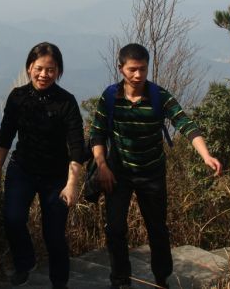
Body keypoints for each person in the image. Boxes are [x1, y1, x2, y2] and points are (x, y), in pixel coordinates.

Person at [90, 43, 222, 289]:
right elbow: (97, 134)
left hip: (152, 172)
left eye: (142, 69)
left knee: (157, 229)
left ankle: (162, 278)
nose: (138, 75)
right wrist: (102, 165)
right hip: (118, 172)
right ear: (121, 69)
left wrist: (206, 155)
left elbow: (185, 123)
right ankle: (120, 280)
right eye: (132, 69)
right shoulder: (110, 97)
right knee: (115, 229)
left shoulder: (159, 96)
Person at [0, 42, 84, 289]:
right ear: (29, 67)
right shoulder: (18, 97)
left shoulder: (66, 102)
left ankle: (59, 282)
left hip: (56, 176)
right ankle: (25, 263)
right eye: (39, 68)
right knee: (13, 219)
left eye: (50, 69)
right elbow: (6, 135)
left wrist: (72, 184)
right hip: (22, 169)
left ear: (58, 71)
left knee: (54, 235)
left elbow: (76, 146)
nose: (44, 74)